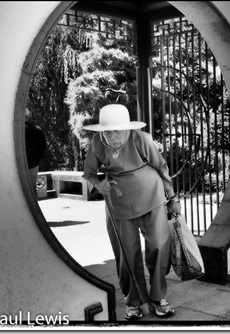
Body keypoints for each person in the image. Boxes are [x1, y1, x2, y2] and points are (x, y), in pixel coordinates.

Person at [82, 104, 180, 320]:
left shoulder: (141, 138)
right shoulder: (97, 142)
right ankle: (133, 300)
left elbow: (161, 167)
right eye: (108, 131)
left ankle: (158, 297)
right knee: (126, 254)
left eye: (117, 130)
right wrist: (99, 185)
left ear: (127, 129)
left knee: (158, 245)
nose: (113, 136)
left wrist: (172, 198)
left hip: (151, 195)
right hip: (118, 201)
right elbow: (89, 173)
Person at [24, 108, 47, 197]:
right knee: (32, 188)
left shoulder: (15, 130)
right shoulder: (36, 129)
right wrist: (38, 159)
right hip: (33, 164)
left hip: (17, 164)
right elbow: (43, 146)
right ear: (28, 117)